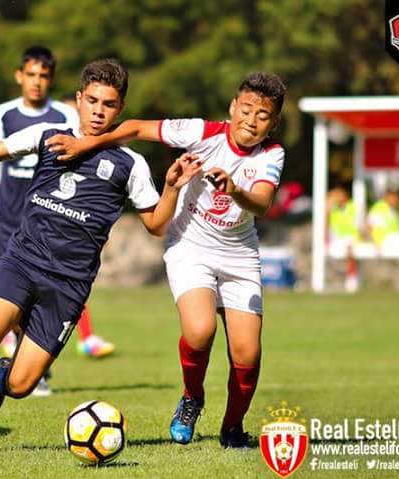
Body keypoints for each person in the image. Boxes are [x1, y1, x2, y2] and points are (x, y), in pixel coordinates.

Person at [0, 58, 201, 455]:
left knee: (21, 385)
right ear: (78, 99)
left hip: (68, 283)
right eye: (92, 100)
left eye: (109, 104)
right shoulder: (46, 134)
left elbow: (156, 225)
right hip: (22, 262)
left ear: (121, 110)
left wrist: (170, 188)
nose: (98, 110)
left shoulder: (130, 163)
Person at [46, 72, 287, 448]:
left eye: (262, 116)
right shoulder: (201, 131)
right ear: (232, 108)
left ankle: (233, 428)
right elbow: (138, 128)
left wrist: (235, 190)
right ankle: (192, 399)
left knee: (248, 352)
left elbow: (262, 202)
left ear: (273, 124)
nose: (251, 121)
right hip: (190, 245)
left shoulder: (272, 154)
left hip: (240, 255)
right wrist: (88, 144)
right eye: (246, 110)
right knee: (200, 330)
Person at [0, 47, 116, 383]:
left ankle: (40, 360)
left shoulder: (65, 116)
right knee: (11, 293)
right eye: (31, 75)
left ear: (51, 79)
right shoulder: (4, 113)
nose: (36, 82)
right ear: (19, 76)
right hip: (9, 215)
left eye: (43, 76)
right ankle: (23, 363)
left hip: (49, 215)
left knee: (50, 289)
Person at [326, 182, 361, 292]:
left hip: (351, 238)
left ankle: (351, 279)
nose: (337, 198)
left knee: (349, 247)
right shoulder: (333, 209)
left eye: (339, 195)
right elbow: (326, 222)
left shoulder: (353, 207)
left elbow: (359, 225)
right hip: (337, 239)